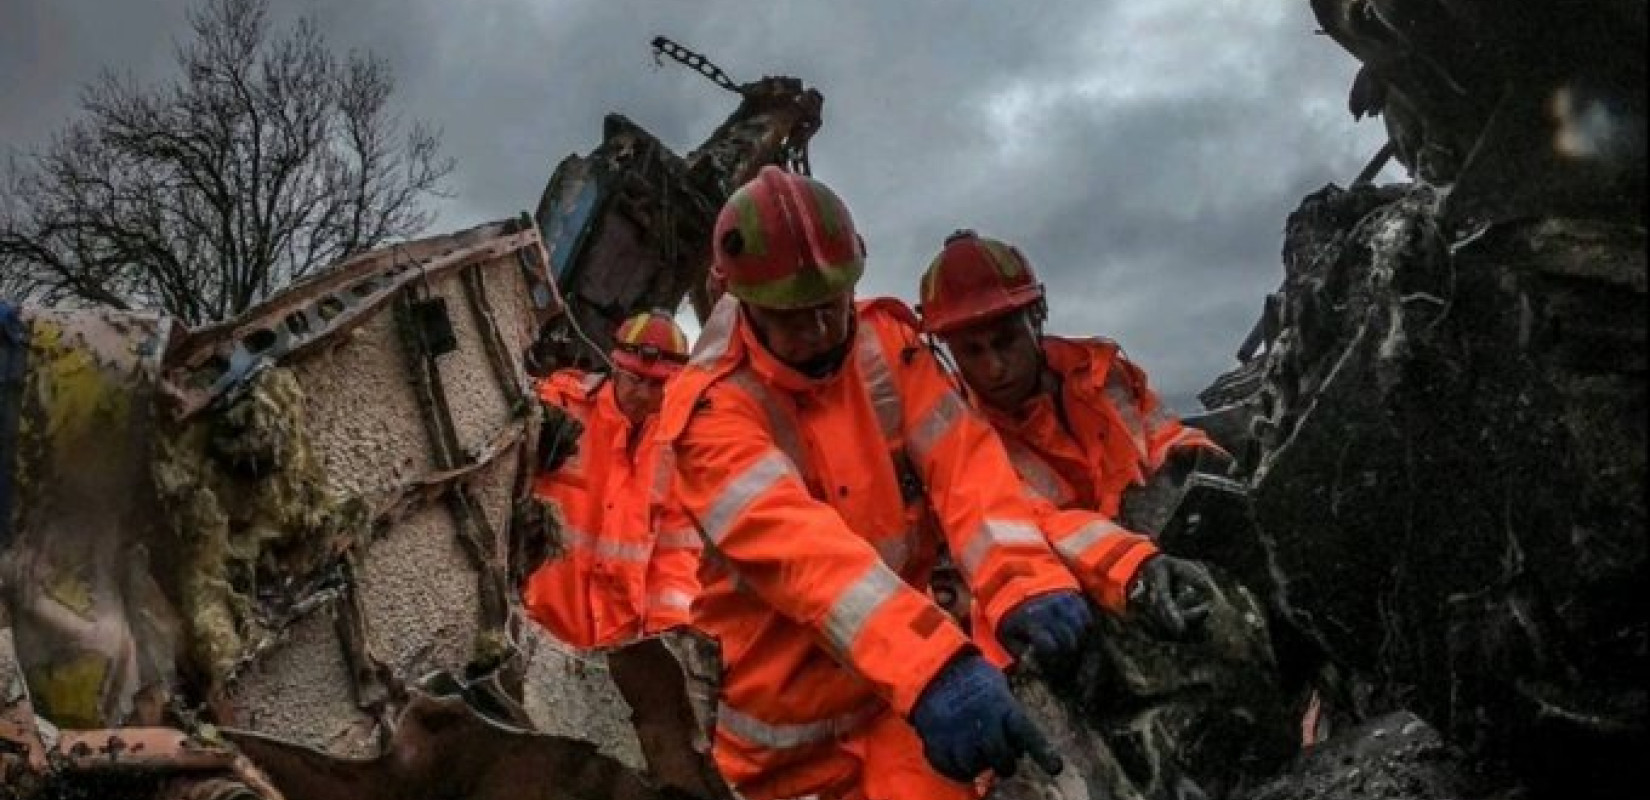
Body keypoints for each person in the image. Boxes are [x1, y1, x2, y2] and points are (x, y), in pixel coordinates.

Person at [659, 166, 1208, 799]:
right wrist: (935, 669)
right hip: (785, 745)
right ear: (743, 305)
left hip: (897, 705)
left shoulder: (889, 348)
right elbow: (807, 560)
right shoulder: (711, 411)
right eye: (793, 317)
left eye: (829, 307)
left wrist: (1026, 586)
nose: (817, 331)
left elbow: (971, 477)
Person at [917, 230, 1227, 522]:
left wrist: (1195, 456)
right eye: (972, 352)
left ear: (1037, 315)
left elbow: (1162, 434)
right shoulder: (963, 441)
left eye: (1005, 342)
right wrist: (1136, 558)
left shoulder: (1105, 375)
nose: (994, 368)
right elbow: (1043, 531)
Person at [522, 310, 701, 650]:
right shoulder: (560, 407)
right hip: (535, 625)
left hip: (614, 643)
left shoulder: (676, 447)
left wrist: (669, 640)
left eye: (657, 384)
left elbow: (674, 558)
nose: (643, 393)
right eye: (635, 378)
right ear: (616, 366)